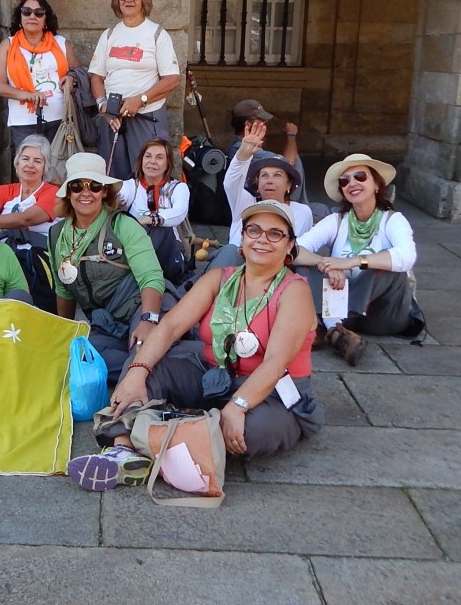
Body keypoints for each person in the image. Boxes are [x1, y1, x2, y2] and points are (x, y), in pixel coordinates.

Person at [66, 200, 325, 491]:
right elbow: (170, 327)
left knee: (249, 432)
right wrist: (137, 372)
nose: (262, 239)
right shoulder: (220, 278)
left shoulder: (295, 291)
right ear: (242, 237)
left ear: (290, 246)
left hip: (271, 392)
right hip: (214, 374)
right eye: (254, 230)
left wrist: (238, 406)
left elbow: (276, 362)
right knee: (144, 366)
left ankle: (155, 436)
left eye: (275, 233)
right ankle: (124, 450)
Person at [292, 154, 426, 365]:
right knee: (305, 266)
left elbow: (407, 257)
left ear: (376, 184)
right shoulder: (336, 221)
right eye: (344, 180)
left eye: (360, 176)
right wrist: (324, 263)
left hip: (381, 315)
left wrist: (353, 261)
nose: (352, 183)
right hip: (344, 312)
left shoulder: (392, 220)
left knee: (383, 267)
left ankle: (324, 325)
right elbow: (294, 250)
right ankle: (338, 332)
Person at [48, 152, 166, 380]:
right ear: (68, 193)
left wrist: (148, 320)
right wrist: (65, 334)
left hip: (139, 308)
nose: (86, 193)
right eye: (77, 186)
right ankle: (153, 364)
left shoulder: (123, 224)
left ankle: (144, 365)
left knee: (141, 352)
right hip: (105, 323)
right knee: (78, 360)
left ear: (104, 192)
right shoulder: (56, 235)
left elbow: (151, 276)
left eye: (94, 186)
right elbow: (64, 291)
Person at [89, 0, 181, 179]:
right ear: (117, 0)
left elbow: (172, 79)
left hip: (147, 116)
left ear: (144, 0)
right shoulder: (109, 35)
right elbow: (96, 77)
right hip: (112, 118)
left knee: (149, 175)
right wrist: (103, 105)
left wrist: (140, 100)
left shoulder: (157, 34)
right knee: (112, 178)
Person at [212, 118, 314, 268]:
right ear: (257, 185)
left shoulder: (302, 212)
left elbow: (297, 250)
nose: (269, 181)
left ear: (289, 184)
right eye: (264, 176)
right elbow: (231, 182)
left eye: (277, 175)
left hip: (278, 270)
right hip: (236, 269)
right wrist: (243, 153)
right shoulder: (246, 203)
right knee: (230, 251)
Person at [0, 0, 79, 150]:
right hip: (24, 121)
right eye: (27, 12)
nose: (32, 16)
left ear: (45, 19)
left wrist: (71, 78)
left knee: (58, 164)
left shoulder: (61, 43)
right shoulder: (8, 45)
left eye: (39, 13)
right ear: (20, 17)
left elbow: (78, 72)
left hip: (60, 119)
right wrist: (28, 95)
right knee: (28, 163)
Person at [0, 134, 61, 312]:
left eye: (37, 161)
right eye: (25, 159)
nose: (30, 165)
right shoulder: (4, 191)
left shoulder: (53, 192)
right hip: (3, 253)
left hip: (38, 258)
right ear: (17, 163)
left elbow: (27, 218)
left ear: (45, 167)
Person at [117, 137, 191, 283]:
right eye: (148, 156)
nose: (152, 161)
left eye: (159, 157)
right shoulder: (130, 187)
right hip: (135, 252)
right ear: (141, 160)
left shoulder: (178, 188)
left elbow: (179, 212)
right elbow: (114, 197)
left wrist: (149, 220)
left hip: (169, 259)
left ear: (168, 163)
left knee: (160, 229)